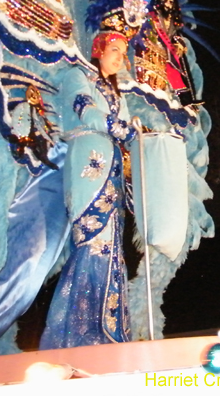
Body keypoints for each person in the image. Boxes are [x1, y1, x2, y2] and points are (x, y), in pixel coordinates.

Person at [39, 30, 137, 348]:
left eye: (123, 52)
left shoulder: (117, 94)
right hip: (88, 163)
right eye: (113, 49)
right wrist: (118, 128)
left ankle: (109, 330)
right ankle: (80, 334)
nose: (119, 56)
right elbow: (85, 109)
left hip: (113, 171)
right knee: (93, 242)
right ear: (97, 49)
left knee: (112, 247)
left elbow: (124, 131)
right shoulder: (77, 75)